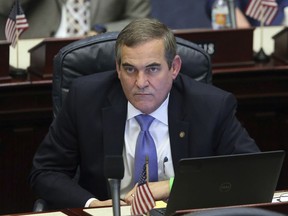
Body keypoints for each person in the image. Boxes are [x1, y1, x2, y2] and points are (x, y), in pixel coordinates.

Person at [29, 17, 260, 210]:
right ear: (118, 68)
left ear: (174, 68)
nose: (141, 82)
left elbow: (251, 171)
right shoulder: (84, 98)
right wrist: (92, 204)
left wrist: (171, 186)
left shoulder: (211, 105)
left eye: (152, 69)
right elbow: (45, 172)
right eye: (130, 69)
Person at [0, 0, 150, 39]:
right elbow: (5, 7)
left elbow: (141, 22)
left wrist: (100, 32)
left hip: (94, 63)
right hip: (31, 65)